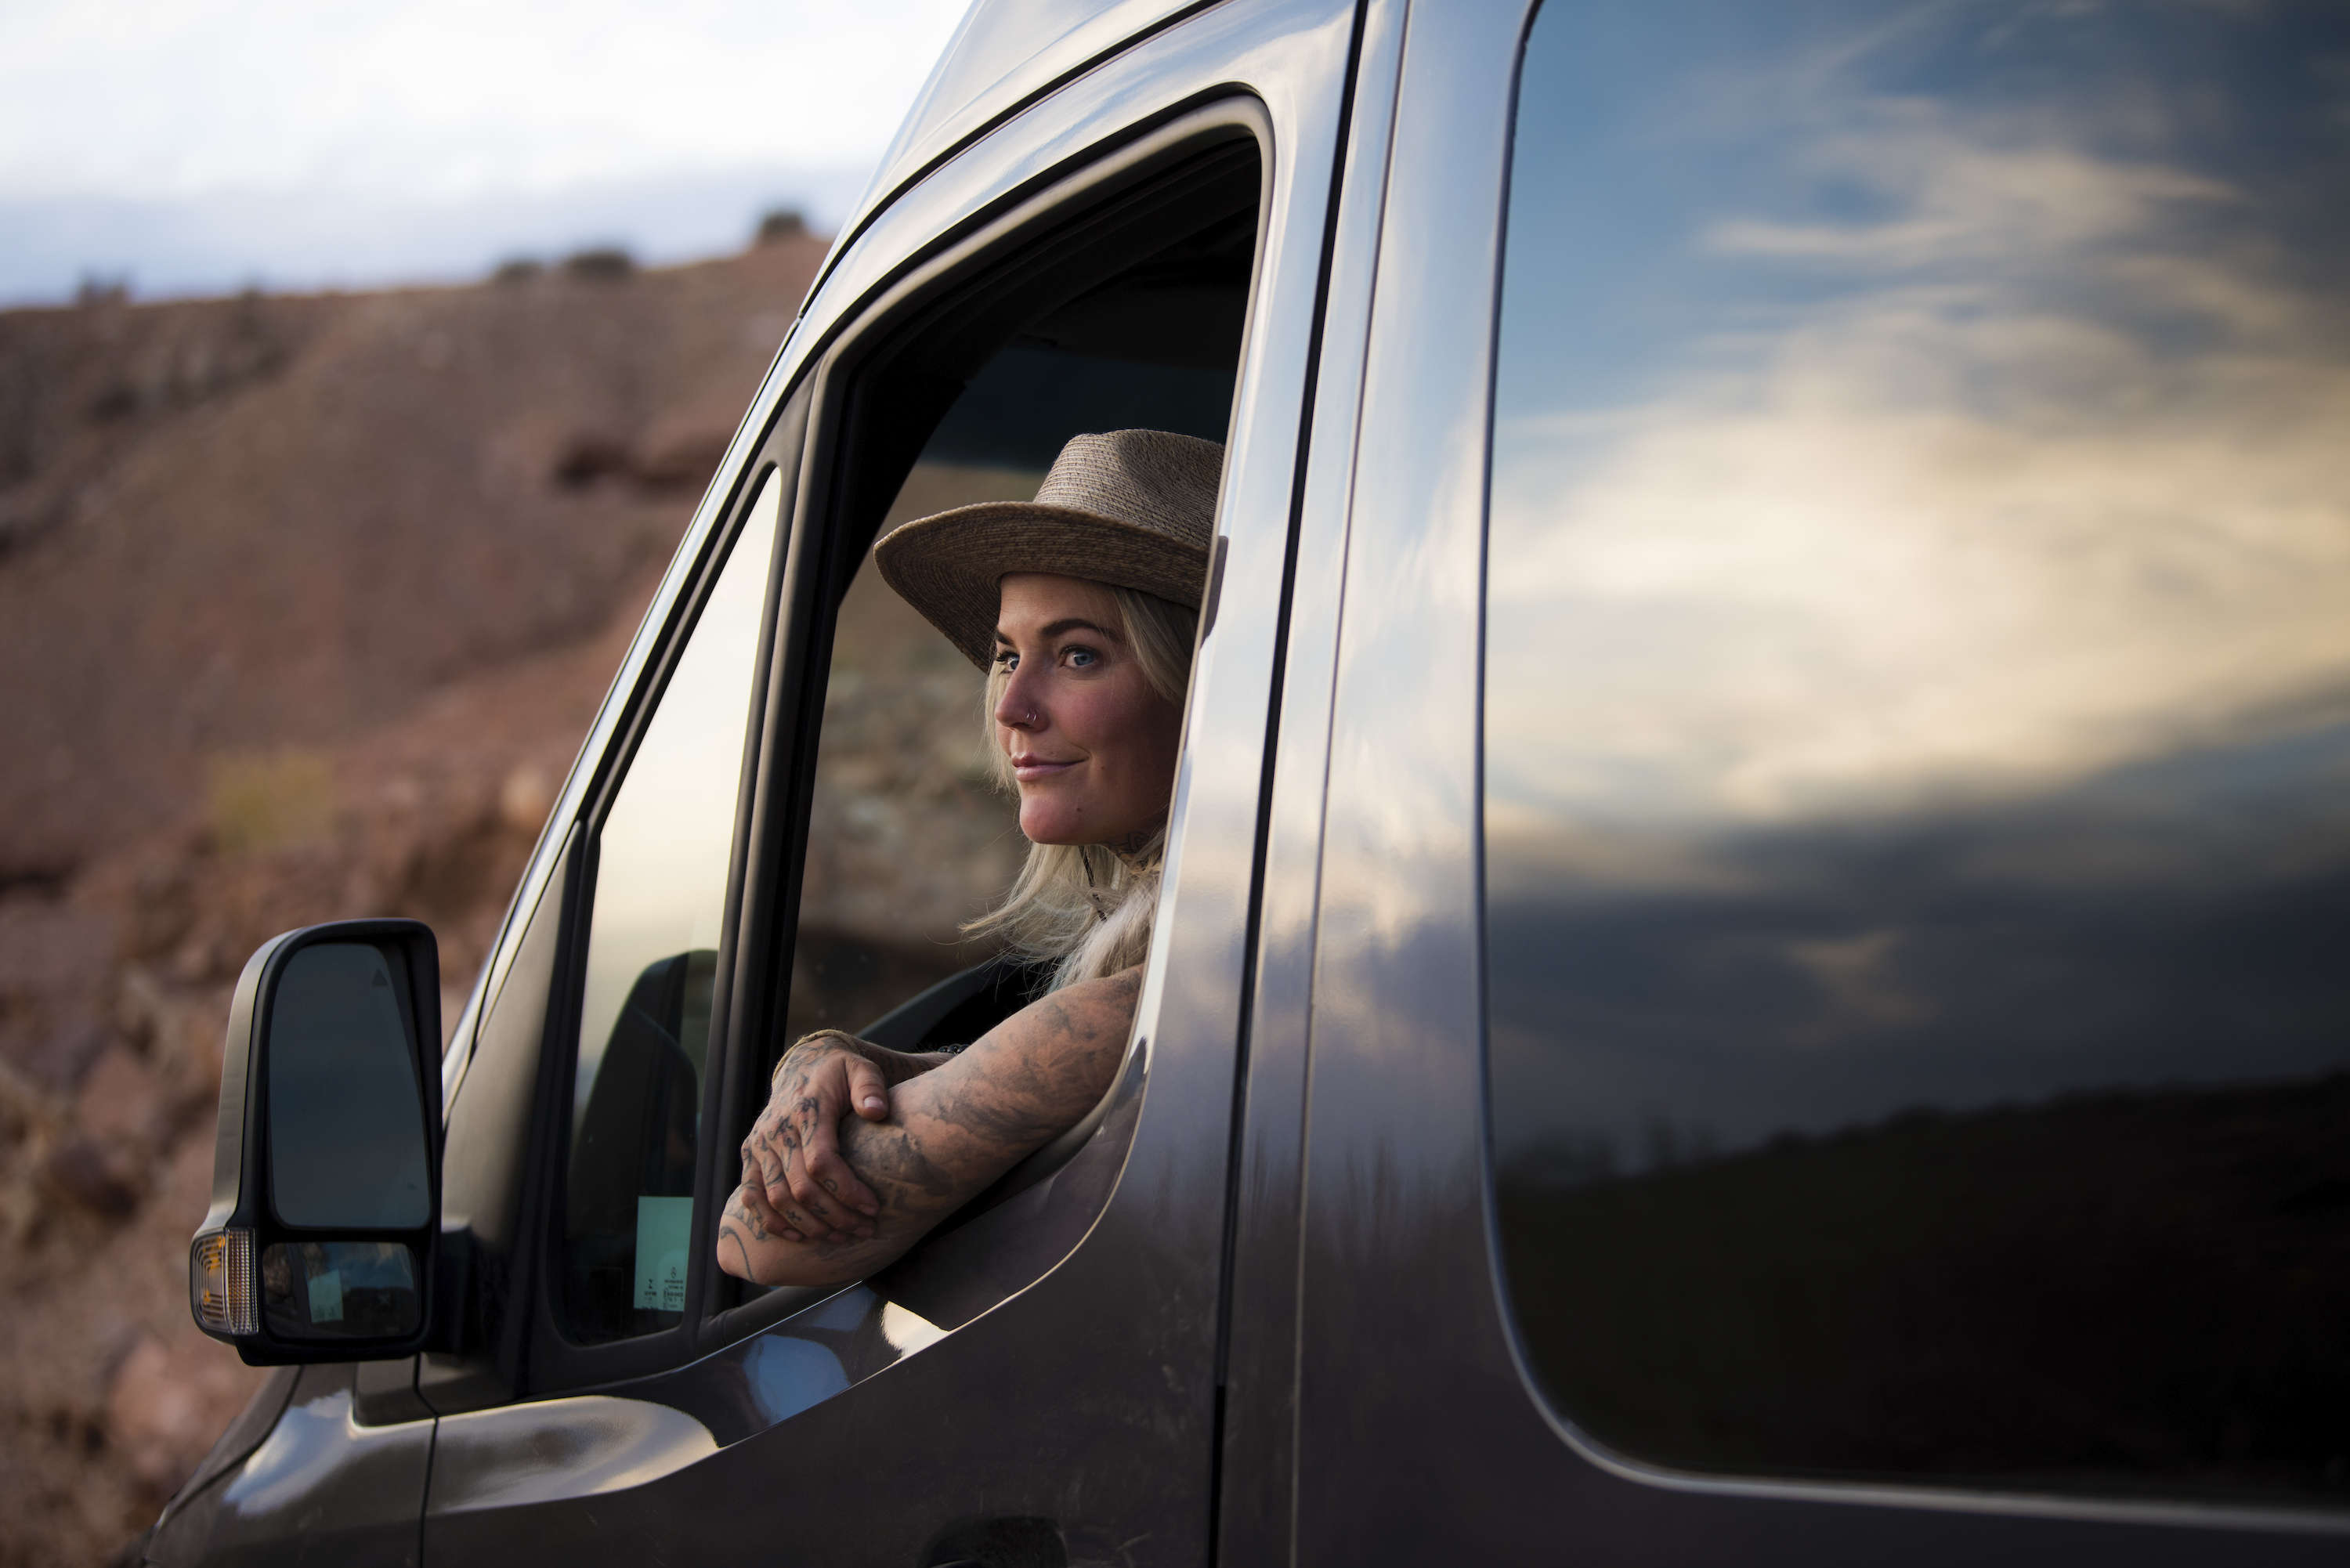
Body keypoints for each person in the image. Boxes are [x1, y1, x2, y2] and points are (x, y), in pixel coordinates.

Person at [716, 428, 1220, 1288]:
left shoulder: (1148, 1009)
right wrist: (837, 1056)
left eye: (1079, 655)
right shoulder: (1228, 969)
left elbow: (753, 1241)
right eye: (1006, 656)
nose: (1012, 705)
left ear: (1202, 684)